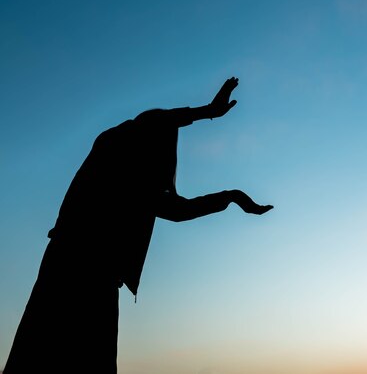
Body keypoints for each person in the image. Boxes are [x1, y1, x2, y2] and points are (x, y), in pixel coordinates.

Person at [3, 77, 273, 374]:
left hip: (86, 269)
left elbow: (170, 200)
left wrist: (228, 194)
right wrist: (206, 113)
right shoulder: (122, 155)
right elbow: (172, 197)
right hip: (82, 269)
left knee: (45, 353)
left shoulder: (119, 153)